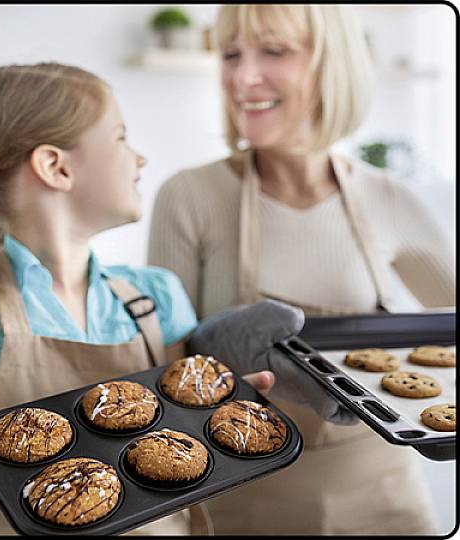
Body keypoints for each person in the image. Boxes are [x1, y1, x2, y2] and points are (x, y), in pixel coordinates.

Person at [0, 62, 292, 536]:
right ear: (56, 167)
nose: (139, 158)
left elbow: (183, 418)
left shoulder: (155, 295)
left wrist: (226, 402)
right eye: (120, 137)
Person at [148, 4, 455, 536]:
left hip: (384, 495)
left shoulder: (389, 198)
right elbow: (158, 369)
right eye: (230, 54)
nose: (243, 77)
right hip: (241, 498)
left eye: (275, 50)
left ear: (332, 64)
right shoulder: (190, 196)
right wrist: (210, 345)